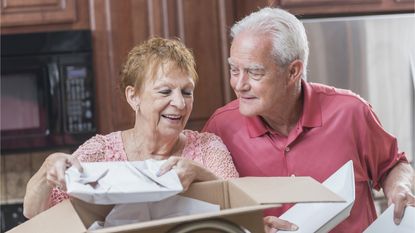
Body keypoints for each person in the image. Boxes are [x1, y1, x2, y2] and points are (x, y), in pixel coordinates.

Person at [203, 7, 414, 233]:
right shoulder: (221, 127)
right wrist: (246, 227)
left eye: (254, 72)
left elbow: (391, 166)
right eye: (234, 70)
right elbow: (204, 208)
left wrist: (400, 186)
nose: (239, 84)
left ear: (293, 71)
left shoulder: (351, 112)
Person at [23, 37, 239, 219]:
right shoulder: (101, 151)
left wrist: (199, 173)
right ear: (133, 96)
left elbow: (241, 206)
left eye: (186, 92)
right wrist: (48, 168)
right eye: (165, 92)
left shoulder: (208, 147)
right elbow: (35, 213)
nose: (180, 104)